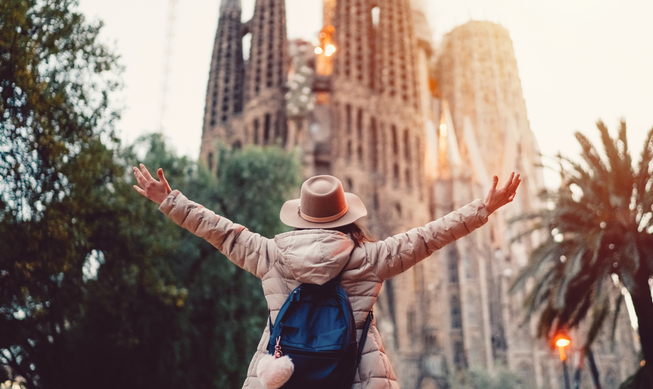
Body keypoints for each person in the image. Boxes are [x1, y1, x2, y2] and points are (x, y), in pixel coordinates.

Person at [132, 163, 521, 389]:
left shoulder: (271, 256)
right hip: (353, 376)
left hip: (282, 376)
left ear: (300, 220)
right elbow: (430, 236)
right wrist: (484, 207)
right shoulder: (369, 258)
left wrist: (169, 200)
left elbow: (220, 230)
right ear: (347, 218)